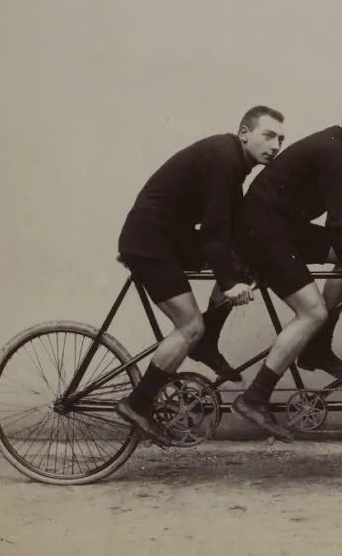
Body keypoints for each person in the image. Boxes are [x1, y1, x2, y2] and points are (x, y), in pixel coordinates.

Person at [114, 107, 285, 446]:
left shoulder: (232, 161)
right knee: (190, 325)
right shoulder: (225, 158)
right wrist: (231, 283)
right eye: (268, 136)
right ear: (244, 133)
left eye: (281, 139)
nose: (276, 145)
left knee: (245, 261)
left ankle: (207, 341)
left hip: (168, 236)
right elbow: (214, 230)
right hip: (151, 240)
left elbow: (231, 226)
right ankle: (137, 403)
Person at [227, 93, 342, 441]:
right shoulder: (334, 151)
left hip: (283, 228)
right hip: (261, 233)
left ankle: (316, 347)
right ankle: (254, 398)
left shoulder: (340, 149)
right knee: (312, 312)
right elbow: (339, 219)